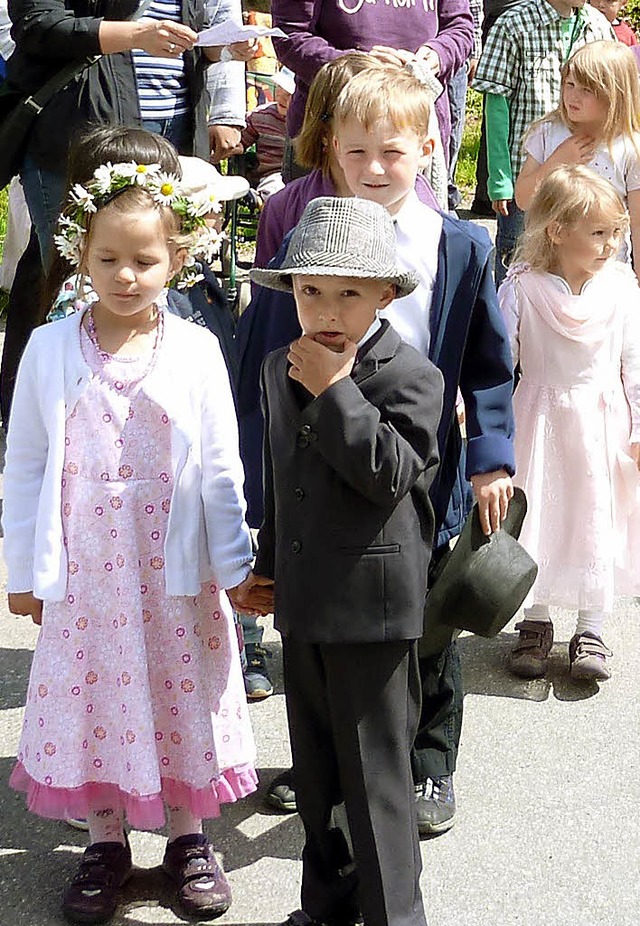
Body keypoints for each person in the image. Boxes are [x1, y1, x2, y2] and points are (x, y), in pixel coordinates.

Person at [237, 65, 516, 836]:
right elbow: (265, 353)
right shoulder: (310, 243)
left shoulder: (458, 247)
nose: (374, 169)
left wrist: (492, 455)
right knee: (323, 619)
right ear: (330, 151)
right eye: (355, 153)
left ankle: (428, 763)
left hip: (425, 465)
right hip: (323, 465)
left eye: (392, 152)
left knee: (426, 623)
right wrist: (256, 480)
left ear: (429, 147)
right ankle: (321, 761)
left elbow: (492, 363)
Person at [2, 156, 268, 925]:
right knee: (97, 699)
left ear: (179, 258)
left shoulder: (195, 350)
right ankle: (105, 839)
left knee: (177, 690)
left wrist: (235, 567)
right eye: (108, 258)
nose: (125, 275)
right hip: (86, 574)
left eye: (145, 260)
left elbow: (222, 467)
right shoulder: (50, 352)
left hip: (173, 572)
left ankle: (187, 837)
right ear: (80, 255)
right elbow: (23, 464)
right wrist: (23, 568)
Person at [238, 195, 443, 926]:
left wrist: (336, 391)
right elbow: (278, 476)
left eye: (349, 293)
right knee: (320, 775)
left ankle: (397, 916)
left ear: (384, 295)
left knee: (376, 783)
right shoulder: (275, 365)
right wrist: (265, 565)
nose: (326, 308)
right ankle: (326, 908)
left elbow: (389, 473)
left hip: (374, 615)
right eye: (309, 290)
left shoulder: (411, 377)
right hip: (304, 604)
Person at [499, 165, 640, 681]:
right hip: (539, 416)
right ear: (557, 231)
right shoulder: (523, 289)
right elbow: (500, 359)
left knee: (593, 514)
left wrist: (639, 429)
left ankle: (592, 623)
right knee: (538, 512)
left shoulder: (622, 289)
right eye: (598, 233)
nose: (609, 244)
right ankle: (535, 620)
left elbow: (635, 365)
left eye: (615, 233)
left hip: (601, 420)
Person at [472, 0, 614, 285]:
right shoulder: (515, 23)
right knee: (519, 263)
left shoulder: (598, 25)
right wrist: (500, 179)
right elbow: (497, 106)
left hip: (588, 178)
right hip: (527, 176)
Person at [271, 0, 474, 177]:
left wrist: (437, 55)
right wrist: (359, 69)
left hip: (413, 131)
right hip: (331, 132)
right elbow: (290, 33)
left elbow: (460, 28)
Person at [515, 41, 640, 278]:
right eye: (569, 84)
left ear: (614, 94)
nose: (573, 96)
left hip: (603, 275)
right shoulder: (548, 132)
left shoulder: (630, 148)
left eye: (586, 90)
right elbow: (523, 199)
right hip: (546, 271)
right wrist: (557, 162)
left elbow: (638, 224)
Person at [239, 67, 295, 201]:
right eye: (279, 88)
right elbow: (240, 140)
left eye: (289, 94)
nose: (281, 96)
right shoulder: (261, 116)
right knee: (277, 193)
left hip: (305, 176)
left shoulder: (312, 121)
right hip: (273, 175)